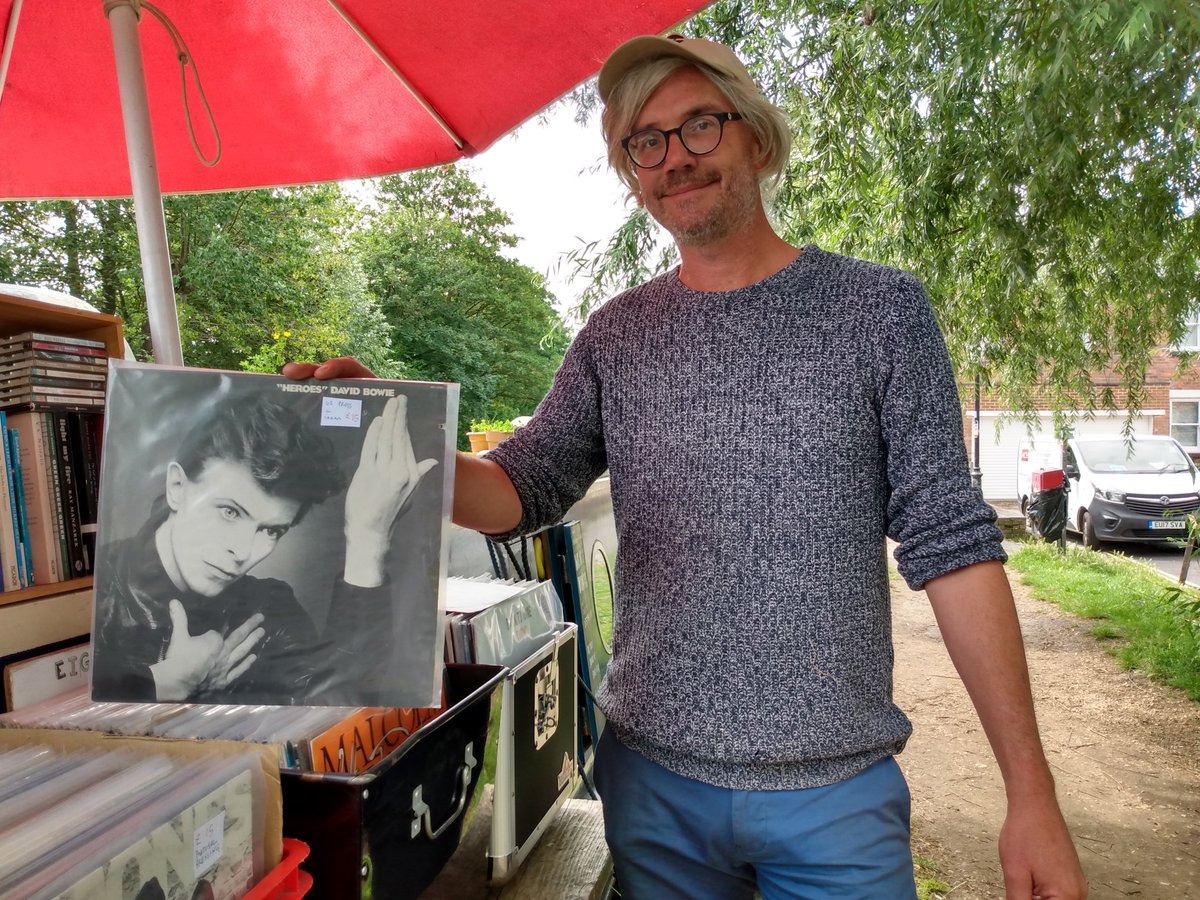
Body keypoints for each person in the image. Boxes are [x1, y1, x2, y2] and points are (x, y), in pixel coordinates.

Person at [285, 33, 1087, 900]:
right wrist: (401, 445)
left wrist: (1030, 794)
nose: (676, 157)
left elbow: (955, 547)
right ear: (633, 172)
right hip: (654, 793)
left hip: (835, 803)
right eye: (647, 141)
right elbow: (519, 488)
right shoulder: (615, 336)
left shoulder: (880, 312)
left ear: (756, 135)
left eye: (700, 125)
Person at [92, 390, 436, 705]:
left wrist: (367, 539)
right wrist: (164, 686)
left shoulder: (268, 609)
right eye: (229, 512)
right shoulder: (97, 593)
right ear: (177, 487)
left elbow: (342, 711)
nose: (243, 552)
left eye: (271, 530)